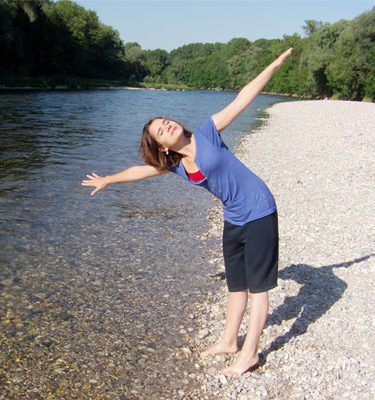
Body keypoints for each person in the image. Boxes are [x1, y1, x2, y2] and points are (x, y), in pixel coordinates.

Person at [81, 48, 293, 375]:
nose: (168, 125)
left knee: (257, 288)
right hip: (234, 216)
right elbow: (140, 170)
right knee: (236, 284)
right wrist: (108, 179)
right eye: (161, 130)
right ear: (162, 146)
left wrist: (274, 65)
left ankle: (250, 353)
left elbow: (242, 99)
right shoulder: (176, 165)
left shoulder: (207, 132)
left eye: (166, 121)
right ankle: (228, 341)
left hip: (259, 210)